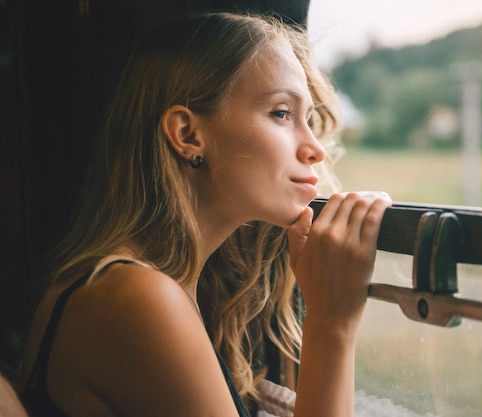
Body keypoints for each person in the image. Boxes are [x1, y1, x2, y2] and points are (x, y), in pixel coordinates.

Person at [15, 11, 391, 417]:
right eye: (281, 113)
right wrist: (331, 321)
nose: (315, 148)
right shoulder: (134, 295)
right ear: (188, 135)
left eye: (310, 120)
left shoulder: (165, 286)